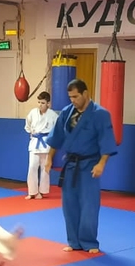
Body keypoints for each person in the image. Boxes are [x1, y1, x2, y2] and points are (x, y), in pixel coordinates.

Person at [45, 79, 119, 254]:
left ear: (85, 93)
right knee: (69, 205)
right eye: (70, 97)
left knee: (89, 205)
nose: (73, 100)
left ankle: (89, 242)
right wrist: (49, 159)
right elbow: (56, 137)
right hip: (71, 164)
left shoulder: (100, 114)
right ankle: (74, 241)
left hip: (89, 165)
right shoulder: (66, 112)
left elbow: (106, 140)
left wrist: (101, 163)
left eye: (76, 96)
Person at [24, 91, 59, 200]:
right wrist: (31, 132)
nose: (40, 105)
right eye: (39, 102)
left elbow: (57, 130)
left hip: (46, 144)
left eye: (43, 103)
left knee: (45, 169)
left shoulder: (53, 115)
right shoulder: (33, 113)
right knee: (32, 167)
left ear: (48, 103)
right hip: (35, 143)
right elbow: (27, 125)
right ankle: (32, 192)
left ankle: (42, 191)